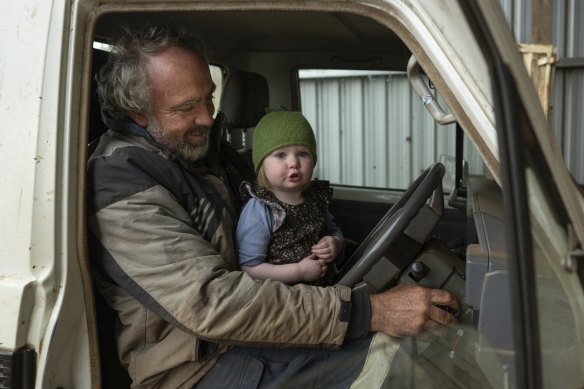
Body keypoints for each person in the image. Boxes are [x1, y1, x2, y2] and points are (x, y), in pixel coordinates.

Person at [87, 24, 459, 388]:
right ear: (138, 112)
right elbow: (211, 303)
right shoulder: (121, 182)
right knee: (400, 367)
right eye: (187, 106)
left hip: (253, 326)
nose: (208, 116)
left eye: (209, 97)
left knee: (419, 348)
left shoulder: (207, 151)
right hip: (198, 364)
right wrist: (371, 311)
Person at [236, 111, 343, 286]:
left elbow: (333, 230)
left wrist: (335, 243)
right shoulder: (261, 208)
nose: (293, 163)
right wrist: (298, 271)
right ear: (262, 164)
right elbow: (248, 268)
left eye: (302, 153)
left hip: (328, 291)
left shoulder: (315, 198)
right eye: (280, 155)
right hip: (287, 299)